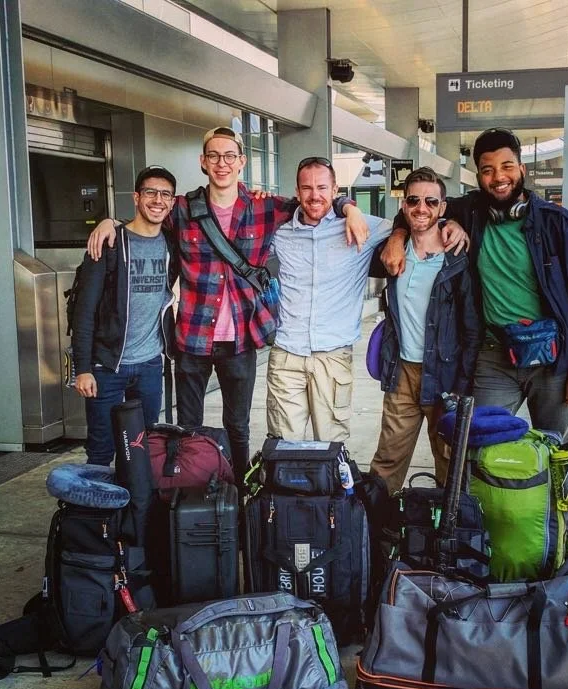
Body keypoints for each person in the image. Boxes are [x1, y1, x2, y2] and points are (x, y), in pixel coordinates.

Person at [87, 126, 367, 479]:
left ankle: (238, 493)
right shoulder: (183, 208)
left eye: (230, 155)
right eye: (214, 156)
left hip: (241, 340)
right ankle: (188, 489)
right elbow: (146, 217)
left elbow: (315, 201)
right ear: (203, 162)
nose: (222, 163)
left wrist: (349, 207)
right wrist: (110, 222)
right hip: (191, 338)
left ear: (242, 162)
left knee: (238, 426)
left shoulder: (265, 208)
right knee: (188, 425)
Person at [382, 127, 568, 443]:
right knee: (478, 447)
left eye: (506, 167)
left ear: (522, 170)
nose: (498, 177)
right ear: (478, 176)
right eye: (487, 170)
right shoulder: (471, 211)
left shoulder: (558, 224)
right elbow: (421, 211)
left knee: (557, 449)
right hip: (494, 358)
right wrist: (397, 236)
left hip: (553, 359)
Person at [265, 157, 393, 441]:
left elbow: (406, 223)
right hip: (287, 354)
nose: (315, 195)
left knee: (331, 447)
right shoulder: (279, 233)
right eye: (307, 188)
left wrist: (354, 211)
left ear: (335, 189)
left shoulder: (362, 226)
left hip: (333, 356)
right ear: (297, 192)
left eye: (322, 187)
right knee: (284, 449)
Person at [368, 167, 480, 492]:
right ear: (404, 205)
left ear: (443, 208)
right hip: (402, 373)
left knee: (450, 465)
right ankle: (378, 535)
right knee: (386, 463)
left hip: (446, 377)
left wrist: (462, 386)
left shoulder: (457, 259)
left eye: (431, 202)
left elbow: (471, 330)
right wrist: (396, 236)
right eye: (414, 200)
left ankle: (447, 538)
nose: (422, 208)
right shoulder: (391, 255)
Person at [73, 165, 178, 465]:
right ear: (136, 197)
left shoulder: (171, 244)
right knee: (102, 450)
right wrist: (82, 368)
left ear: (172, 202)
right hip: (106, 367)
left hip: (148, 365)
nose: (157, 200)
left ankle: (136, 511)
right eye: (150, 192)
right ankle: (99, 511)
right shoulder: (109, 243)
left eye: (165, 194)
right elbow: (85, 310)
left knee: (142, 449)